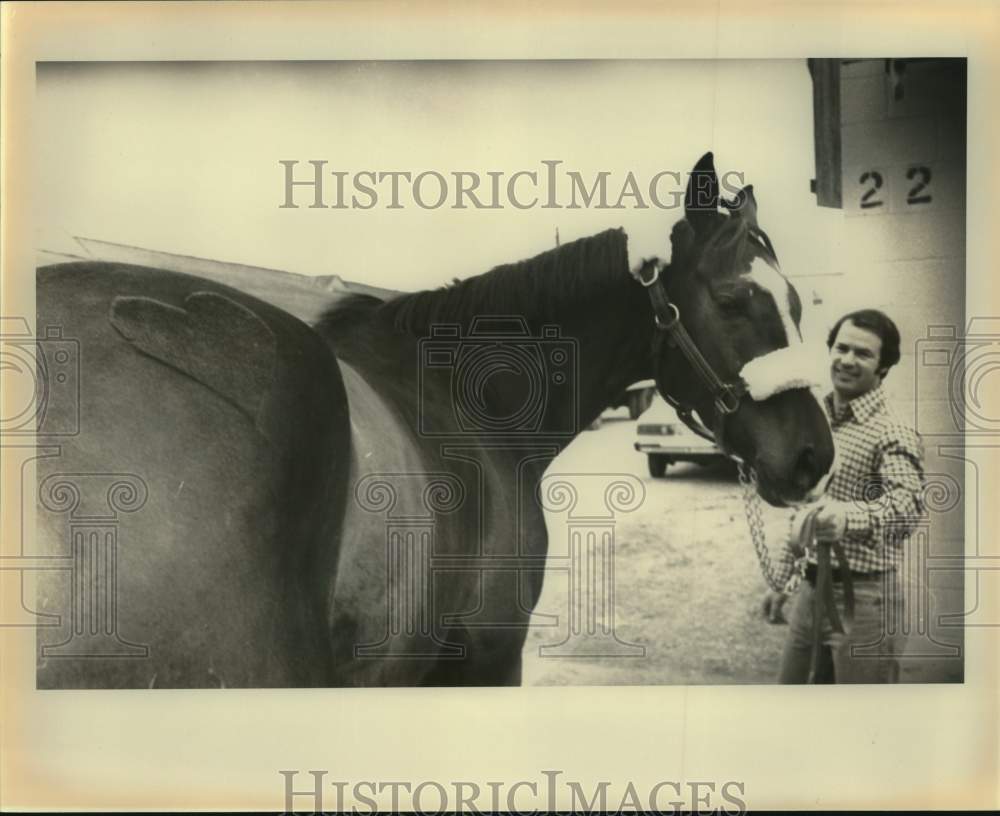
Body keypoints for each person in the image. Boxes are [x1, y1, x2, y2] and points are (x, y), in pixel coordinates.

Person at [762, 309, 925, 683]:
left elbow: (907, 506)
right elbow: (805, 509)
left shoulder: (893, 429)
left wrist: (847, 517)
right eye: (842, 348)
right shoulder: (818, 417)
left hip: (867, 600)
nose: (848, 360)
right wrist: (782, 581)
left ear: (884, 367)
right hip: (810, 591)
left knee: (858, 719)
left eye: (863, 354)